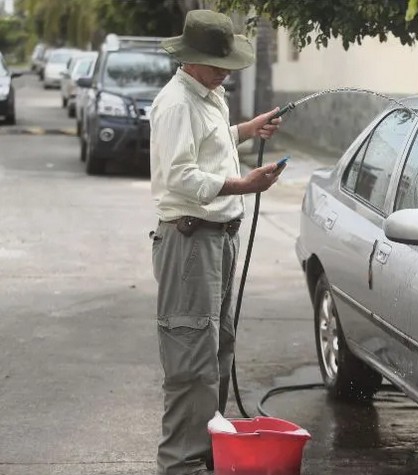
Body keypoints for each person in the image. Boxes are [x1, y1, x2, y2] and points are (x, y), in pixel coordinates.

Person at [149, 9, 283, 475]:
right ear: (191, 60)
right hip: (190, 242)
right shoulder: (176, 104)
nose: (226, 72)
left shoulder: (208, 96)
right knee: (192, 359)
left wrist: (247, 130)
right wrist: (243, 187)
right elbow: (181, 175)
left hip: (217, 238)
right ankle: (182, 464)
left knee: (217, 349)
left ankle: (208, 456)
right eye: (217, 63)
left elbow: (208, 145)